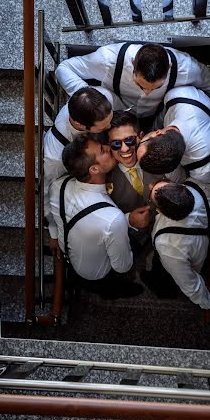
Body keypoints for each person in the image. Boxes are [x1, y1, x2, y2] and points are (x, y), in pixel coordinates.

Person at [48, 134, 143, 299]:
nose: (108, 147)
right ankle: (115, 293)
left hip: (70, 256)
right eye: (102, 150)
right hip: (99, 275)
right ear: (94, 169)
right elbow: (123, 266)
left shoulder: (58, 186)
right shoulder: (112, 219)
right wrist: (128, 222)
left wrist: (54, 235)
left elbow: (56, 216)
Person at [55, 42, 210, 125]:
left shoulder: (186, 68)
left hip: (157, 116)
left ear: (169, 67)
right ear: (132, 63)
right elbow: (64, 68)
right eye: (140, 85)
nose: (146, 93)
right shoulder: (108, 60)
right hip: (114, 110)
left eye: (156, 87)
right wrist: (94, 102)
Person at [141, 178, 210, 309]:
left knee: (161, 285)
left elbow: (189, 283)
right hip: (202, 244)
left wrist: (208, 303)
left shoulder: (168, 244)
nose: (150, 185)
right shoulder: (200, 186)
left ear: (162, 211)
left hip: (180, 268)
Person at [44, 86, 113, 238]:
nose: (110, 127)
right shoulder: (54, 157)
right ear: (81, 125)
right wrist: (54, 231)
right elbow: (45, 190)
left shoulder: (101, 98)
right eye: (103, 127)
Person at [137, 86, 210, 185]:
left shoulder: (208, 167)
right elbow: (162, 116)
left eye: (140, 143)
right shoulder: (178, 95)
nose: (139, 140)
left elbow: (202, 190)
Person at [106, 111, 162, 249]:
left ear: (140, 137)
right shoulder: (104, 176)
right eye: (116, 144)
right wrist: (128, 220)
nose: (125, 148)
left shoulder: (158, 154)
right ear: (108, 146)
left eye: (129, 140)